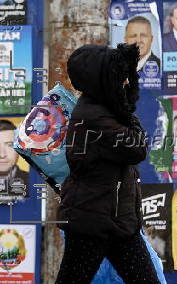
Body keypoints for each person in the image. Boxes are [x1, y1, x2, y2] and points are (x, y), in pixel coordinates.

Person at [56, 44, 160, 283]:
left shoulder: (102, 109)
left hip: (118, 223)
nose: (125, 82)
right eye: (118, 76)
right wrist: (126, 110)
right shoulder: (93, 116)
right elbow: (136, 147)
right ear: (101, 79)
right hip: (92, 223)